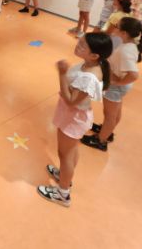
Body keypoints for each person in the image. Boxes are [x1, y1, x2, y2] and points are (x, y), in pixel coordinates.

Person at [37, 33, 112, 207]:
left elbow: (71, 101)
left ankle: (63, 193)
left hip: (74, 117)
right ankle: (64, 175)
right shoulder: (90, 64)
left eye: (82, 45)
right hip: (72, 115)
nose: (78, 45)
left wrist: (62, 74)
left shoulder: (89, 77)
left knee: (65, 155)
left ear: (94, 55)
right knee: (70, 152)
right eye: (80, 41)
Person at [81, 17, 142, 151]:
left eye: (117, 26)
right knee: (115, 113)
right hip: (119, 86)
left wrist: (117, 82)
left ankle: (101, 141)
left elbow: (134, 75)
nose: (114, 27)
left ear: (124, 33)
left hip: (116, 88)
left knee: (110, 115)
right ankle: (107, 131)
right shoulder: (130, 44)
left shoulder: (125, 51)